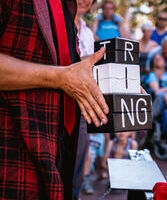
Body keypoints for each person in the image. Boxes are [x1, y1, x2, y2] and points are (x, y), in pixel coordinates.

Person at [0, 1, 110, 199]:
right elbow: (61, 74)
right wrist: (59, 77)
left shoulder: (65, 7)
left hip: (56, 147)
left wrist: (117, 78)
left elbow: (67, 68)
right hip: (13, 154)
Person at [73, 0, 96, 199]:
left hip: (81, 101)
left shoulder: (88, 33)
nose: (85, 0)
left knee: (80, 156)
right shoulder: (61, 26)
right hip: (58, 99)